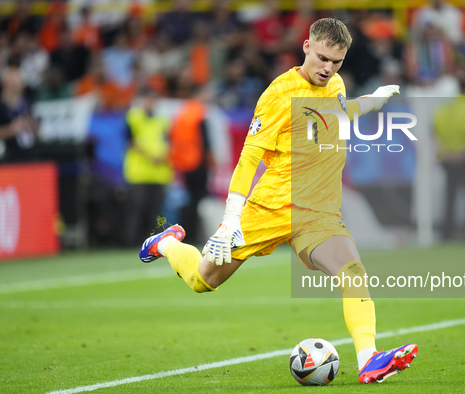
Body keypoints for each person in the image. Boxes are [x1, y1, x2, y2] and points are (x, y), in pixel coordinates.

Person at [138, 18, 418, 384]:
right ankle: (167, 243)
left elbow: (336, 114)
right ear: (306, 46)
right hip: (270, 207)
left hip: (318, 213)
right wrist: (231, 220)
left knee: (353, 272)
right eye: (321, 58)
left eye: (336, 62)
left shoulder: (333, 83)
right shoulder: (278, 94)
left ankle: (368, 359)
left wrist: (371, 102)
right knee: (202, 280)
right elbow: (249, 156)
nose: (327, 68)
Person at [433, 80, 465, 240]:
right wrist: (463, 152)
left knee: (450, 198)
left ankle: (446, 234)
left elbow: (435, 135)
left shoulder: (439, 110)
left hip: (450, 160)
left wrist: (449, 153)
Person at [123, 87, 172, 246]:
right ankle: (133, 243)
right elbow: (129, 142)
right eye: (147, 99)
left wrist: (163, 156)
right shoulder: (133, 117)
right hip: (138, 173)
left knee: (155, 212)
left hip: (159, 173)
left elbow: (169, 141)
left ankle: (154, 245)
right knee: (138, 210)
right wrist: (150, 156)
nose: (150, 102)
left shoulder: (162, 120)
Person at [168, 88, 213, 244]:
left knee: (189, 200)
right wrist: (210, 159)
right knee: (197, 200)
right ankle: (191, 234)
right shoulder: (199, 113)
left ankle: (184, 231)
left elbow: (172, 137)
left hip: (184, 164)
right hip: (198, 162)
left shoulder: (181, 114)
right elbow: (205, 139)